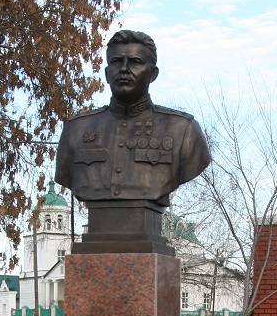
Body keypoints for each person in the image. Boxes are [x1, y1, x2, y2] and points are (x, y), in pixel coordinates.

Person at [55, 29, 211, 250]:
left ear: (153, 73)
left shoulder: (182, 130)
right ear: (107, 72)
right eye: (117, 62)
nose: (125, 69)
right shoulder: (76, 130)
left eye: (135, 62)